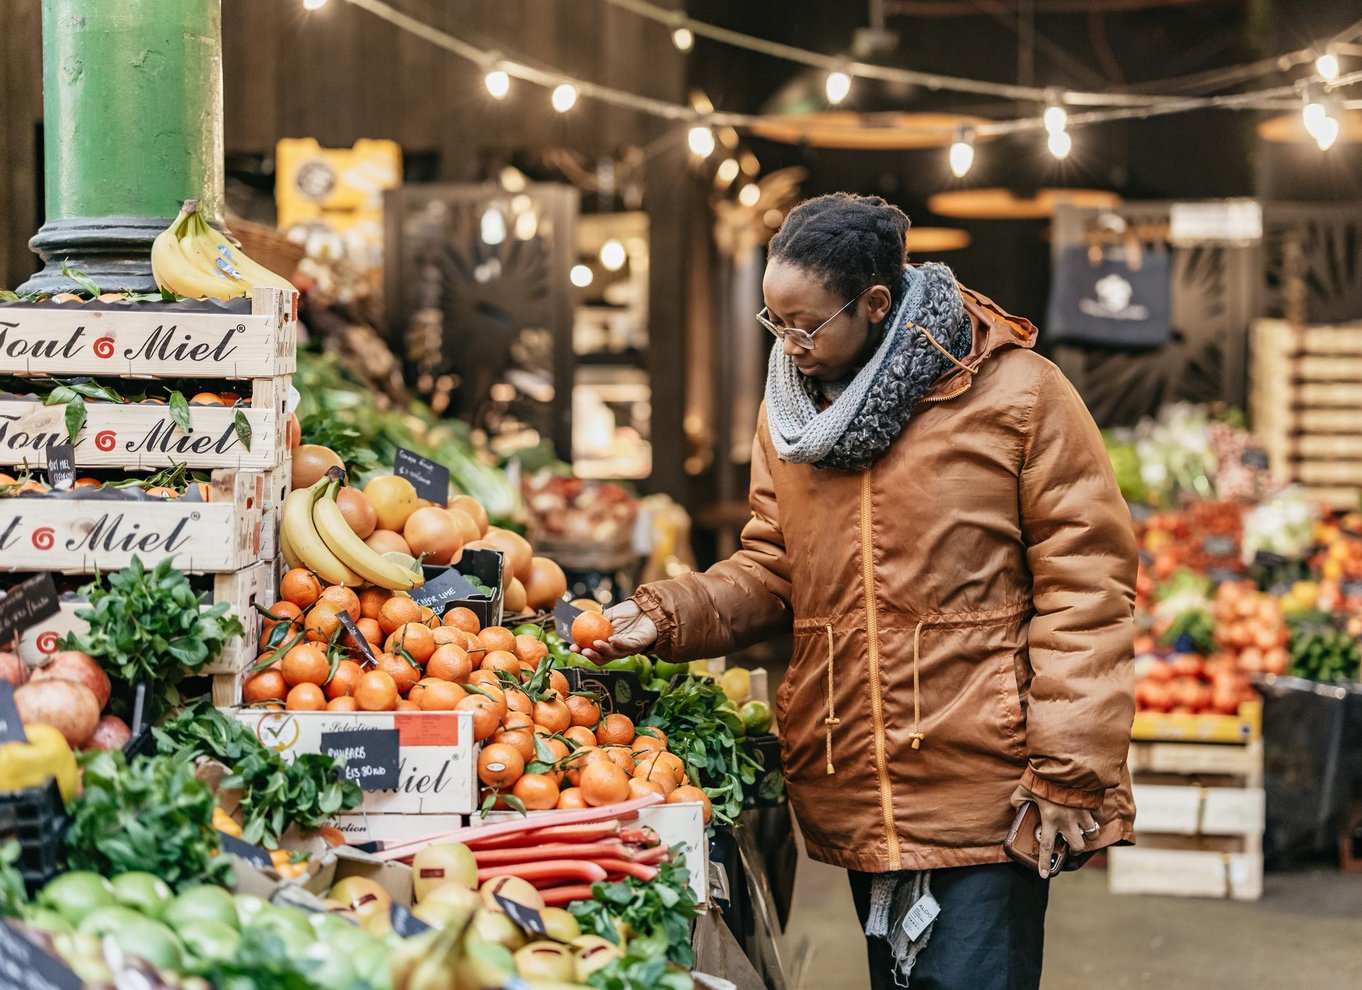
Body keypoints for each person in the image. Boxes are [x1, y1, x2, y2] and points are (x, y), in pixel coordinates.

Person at [579, 192, 1137, 990]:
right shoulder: (792, 415)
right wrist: (669, 613)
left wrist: (1069, 768)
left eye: (807, 324)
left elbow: (1090, 584)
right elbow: (774, 567)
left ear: (876, 304)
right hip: (858, 779)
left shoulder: (1019, 396)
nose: (790, 345)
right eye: (775, 323)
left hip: (987, 784)